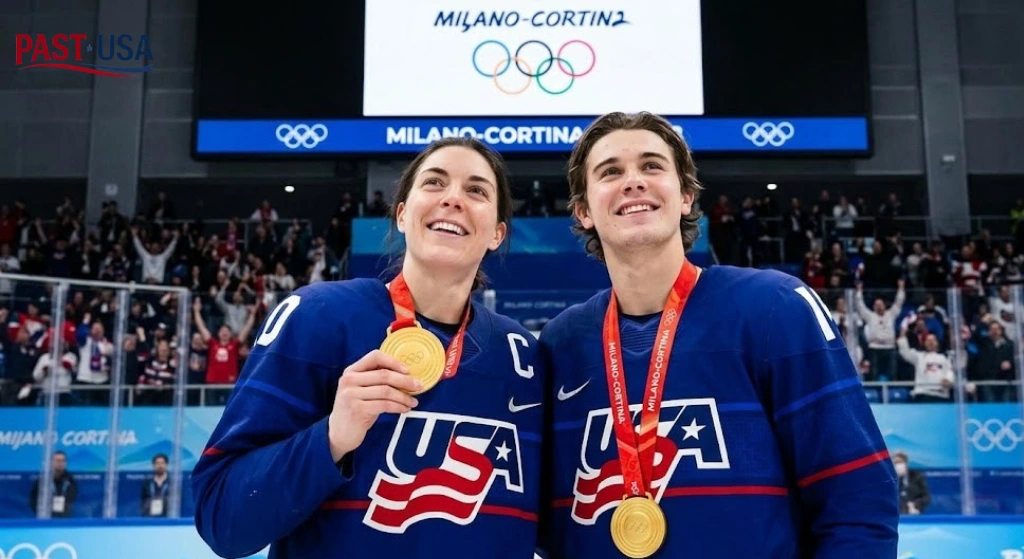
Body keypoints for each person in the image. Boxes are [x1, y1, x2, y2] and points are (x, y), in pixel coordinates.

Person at [537, 112, 898, 558]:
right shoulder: (560, 343)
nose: (633, 181)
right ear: (584, 211)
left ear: (686, 196)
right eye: (611, 172)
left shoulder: (773, 308)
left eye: (652, 166)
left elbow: (856, 497)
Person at [192, 137, 544, 559]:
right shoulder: (317, 316)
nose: (453, 199)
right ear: (401, 215)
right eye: (434, 183)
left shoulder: (522, 357)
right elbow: (223, 520)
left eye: (476, 190)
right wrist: (332, 438)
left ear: (497, 233)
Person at [30, 450, 77, 518]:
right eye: (57, 460)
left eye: (63, 461)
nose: (60, 463)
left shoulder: (70, 480)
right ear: (51, 462)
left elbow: (72, 497)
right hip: (46, 517)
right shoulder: (43, 480)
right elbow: (33, 499)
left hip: (65, 518)